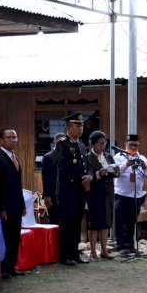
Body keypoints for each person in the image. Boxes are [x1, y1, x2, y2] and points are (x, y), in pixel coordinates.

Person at [55, 113, 92, 265]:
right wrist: (80, 179)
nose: (80, 128)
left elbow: (87, 166)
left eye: (81, 125)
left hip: (79, 191)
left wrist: (88, 176)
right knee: (67, 224)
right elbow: (65, 168)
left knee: (77, 223)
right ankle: (65, 256)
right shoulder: (62, 145)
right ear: (69, 128)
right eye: (77, 126)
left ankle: (74, 253)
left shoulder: (81, 145)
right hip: (68, 191)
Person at [0, 128, 26, 277]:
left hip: (16, 205)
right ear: (2, 140)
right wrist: (1, 208)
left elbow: (18, 185)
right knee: (5, 238)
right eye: (10, 138)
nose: (13, 140)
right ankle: (2, 268)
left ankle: (11, 266)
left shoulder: (13, 157)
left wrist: (22, 205)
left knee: (15, 237)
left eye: (15, 137)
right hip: (5, 207)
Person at [85, 131, 119, 260]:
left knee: (105, 223)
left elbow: (115, 174)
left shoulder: (108, 156)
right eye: (100, 143)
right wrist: (99, 174)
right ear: (93, 144)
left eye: (104, 143)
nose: (103, 146)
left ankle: (104, 250)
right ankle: (93, 252)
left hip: (107, 194)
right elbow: (87, 175)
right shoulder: (87, 157)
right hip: (94, 194)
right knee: (93, 224)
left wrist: (116, 171)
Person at [113, 134, 147, 254]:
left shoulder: (142, 158)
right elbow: (115, 173)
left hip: (136, 195)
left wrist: (144, 167)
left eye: (136, 144)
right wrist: (126, 164)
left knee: (132, 222)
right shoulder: (118, 157)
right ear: (125, 145)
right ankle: (121, 246)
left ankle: (130, 245)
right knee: (121, 221)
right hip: (122, 195)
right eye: (131, 144)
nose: (133, 146)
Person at [41, 133, 66, 225]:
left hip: (66, 194)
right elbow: (46, 177)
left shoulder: (67, 155)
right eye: (59, 141)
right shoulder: (48, 156)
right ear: (55, 142)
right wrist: (47, 195)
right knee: (54, 220)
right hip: (53, 194)